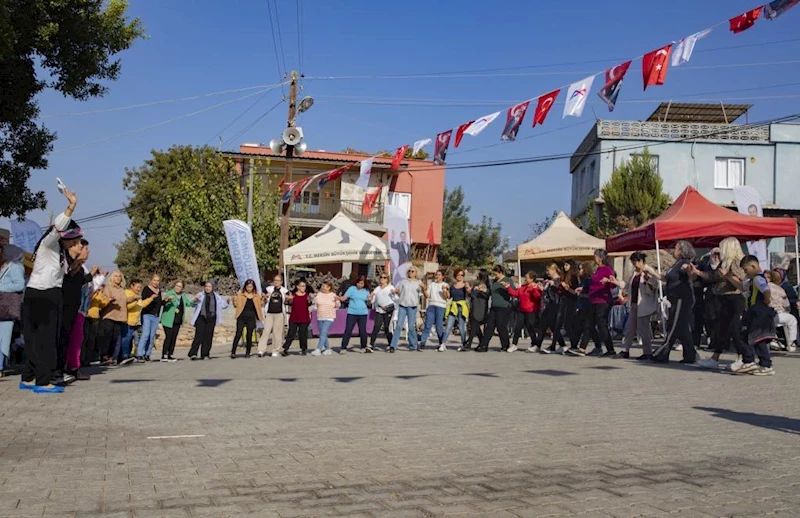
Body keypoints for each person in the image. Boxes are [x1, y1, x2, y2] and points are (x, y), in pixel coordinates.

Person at [20, 188, 83, 393]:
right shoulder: (49, 243)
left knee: (34, 338)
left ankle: (28, 378)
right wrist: (71, 207)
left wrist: (77, 262)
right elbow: (58, 227)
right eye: (72, 239)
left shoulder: (59, 254)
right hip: (44, 295)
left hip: (39, 294)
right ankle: (43, 381)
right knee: (46, 339)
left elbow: (61, 274)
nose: (75, 243)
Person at [692, 238, 746, 370]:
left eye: (722, 248)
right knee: (721, 329)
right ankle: (715, 358)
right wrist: (697, 272)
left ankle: (742, 357)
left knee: (734, 328)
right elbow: (712, 276)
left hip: (734, 298)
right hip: (722, 298)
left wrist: (727, 276)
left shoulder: (737, 262)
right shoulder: (724, 263)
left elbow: (742, 283)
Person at [649, 241, 698, 364]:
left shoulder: (685, 263)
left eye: (675, 248)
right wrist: (652, 272)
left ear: (681, 251)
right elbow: (666, 278)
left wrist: (690, 270)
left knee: (674, 325)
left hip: (682, 298)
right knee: (682, 328)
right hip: (674, 298)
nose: (673, 250)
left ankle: (663, 352)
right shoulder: (676, 264)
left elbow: (692, 275)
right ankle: (690, 354)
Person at [727, 255, 776, 375]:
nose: (745, 272)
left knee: (756, 337)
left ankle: (762, 364)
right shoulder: (751, 281)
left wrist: (767, 300)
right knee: (748, 336)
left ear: (753, 266)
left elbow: (766, 290)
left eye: (746, 270)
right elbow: (742, 287)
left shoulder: (757, 279)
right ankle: (752, 361)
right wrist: (729, 278)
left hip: (758, 311)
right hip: (753, 312)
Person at [567, 250, 617, 357]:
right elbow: (593, 284)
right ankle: (582, 348)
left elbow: (612, 285)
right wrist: (583, 288)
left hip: (602, 301)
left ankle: (610, 349)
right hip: (593, 300)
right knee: (589, 324)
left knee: (602, 325)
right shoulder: (598, 270)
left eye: (595, 257)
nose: (594, 259)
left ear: (600, 258)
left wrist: (609, 281)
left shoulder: (607, 270)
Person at [58, 241, 94, 381]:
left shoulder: (81, 267)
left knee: (76, 339)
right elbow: (71, 282)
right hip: (70, 307)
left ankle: (73, 366)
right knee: (70, 339)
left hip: (80, 308)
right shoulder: (70, 263)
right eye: (84, 248)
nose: (87, 251)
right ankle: (69, 367)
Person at [615, 252, 658, 360]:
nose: (634, 264)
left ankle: (647, 352)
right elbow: (627, 285)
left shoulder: (648, 270)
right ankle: (626, 350)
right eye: (633, 262)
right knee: (630, 328)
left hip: (643, 304)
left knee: (643, 329)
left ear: (641, 261)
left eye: (636, 261)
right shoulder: (634, 273)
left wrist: (648, 278)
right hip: (634, 304)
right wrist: (615, 282)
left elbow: (655, 286)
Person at [100, 270, 137, 366]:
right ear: (112, 277)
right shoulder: (108, 288)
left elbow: (124, 301)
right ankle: (104, 357)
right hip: (109, 315)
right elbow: (105, 299)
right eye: (116, 276)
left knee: (115, 338)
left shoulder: (121, 290)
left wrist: (133, 298)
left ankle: (112, 357)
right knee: (107, 337)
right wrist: (110, 299)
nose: (118, 278)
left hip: (119, 317)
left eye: (120, 276)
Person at [476, 265, 515, 353]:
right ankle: (483, 345)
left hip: (504, 306)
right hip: (494, 306)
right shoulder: (494, 281)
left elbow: (513, 292)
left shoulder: (508, 280)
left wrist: (507, 287)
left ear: (501, 272)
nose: (494, 275)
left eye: (496, 273)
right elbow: (490, 292)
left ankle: (505, 345)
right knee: (489, 326)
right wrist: (484, 290)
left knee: (501, 326)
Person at [0, 245, 25, 374]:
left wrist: (2, 286)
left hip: (6, 309)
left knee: (3, 339)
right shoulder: (4, 266)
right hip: (3, 307)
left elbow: (20, 284)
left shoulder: (15, 266)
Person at [189, 281, 230, 360]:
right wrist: (195, 299)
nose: (207, 288)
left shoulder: (216, 296)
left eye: (209, 286)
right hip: (201, 317)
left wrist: (227, 301)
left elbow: (223, 305)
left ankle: (205, 354)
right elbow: (192, 304)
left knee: (208, 337)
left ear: (213, 288)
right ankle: (193, 353)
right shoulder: (200, 295)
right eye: (206, 286)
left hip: (211, 318)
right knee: (198, 335)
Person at [530, 264, 566, 354]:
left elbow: (558, 293)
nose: (547, 273)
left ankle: (561, 345)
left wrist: (553, 285)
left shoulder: (558, 280)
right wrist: (542, 288)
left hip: (554, 305)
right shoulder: (550, 281)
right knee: (542, 326)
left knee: (553, 326)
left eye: (548, 270)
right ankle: (538, 345)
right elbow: (547, 294)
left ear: (553, 269)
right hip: (547, 306)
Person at [389, 267, 426, 352]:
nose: (410, 272)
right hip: (403, 305)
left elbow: (422, 293)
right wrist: (395, 291)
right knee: (399, 325)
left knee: (411, 327)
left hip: (412, 306)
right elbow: (399, 292)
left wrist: (423, 288)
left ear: (416, 273)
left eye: (412, 271)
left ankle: (414, 345)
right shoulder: (403, 281)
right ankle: (393, 345)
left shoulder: (419, 282)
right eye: (409, 271)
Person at [122, 278, 156, 365]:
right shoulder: (127, 293)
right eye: (137, 287)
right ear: (132, 286)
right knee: (126, 339)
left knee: (133, 340)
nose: (139, 289)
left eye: (140, 287)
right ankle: (124, 355)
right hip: (127, 321)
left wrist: (151, 298)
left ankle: (130, 355)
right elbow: (127, 307)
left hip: (135, 323)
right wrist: (135, 300)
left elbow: (142, 305)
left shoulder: (137, 295)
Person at [160, 281, 194, 362]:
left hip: (177, 320)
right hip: (168, 319)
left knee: (174, 338)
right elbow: (164, 303)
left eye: (180, 286)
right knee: (169, 337)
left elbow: (188, 304)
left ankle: (170, 354)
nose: (178, 288)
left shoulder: (183, 295)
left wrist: (195, 299)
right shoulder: (169, 293)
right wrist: (167, 300)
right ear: (174, 286)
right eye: (177, 286)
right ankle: (164, 355)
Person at [258, 275, 289, 358]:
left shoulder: (284, 290)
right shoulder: (269, 288)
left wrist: (288, 298)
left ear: (281, 282)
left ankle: (275, 350)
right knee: (266, 331)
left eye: (278, 280)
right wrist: (264, 296)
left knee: (277, 332)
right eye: (275, 280)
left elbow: (289, 298)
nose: (276, 282)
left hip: (279, 313)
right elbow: (262, 294)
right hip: (269, 313)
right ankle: (261, 349)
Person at [230, 279, 263, 359]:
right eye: (248, 287)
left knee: (249, 335)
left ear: (253, 287)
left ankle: (248, 352)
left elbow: (260, 305)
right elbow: (236, 305)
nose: (249, 288)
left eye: (251, 287)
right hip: (241, 317)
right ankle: (233, 352)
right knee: (238, 333)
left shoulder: (256, 296)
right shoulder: (241, 295)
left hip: (251, 318)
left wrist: (264, 298)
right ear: (245, 287)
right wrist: (234, 299)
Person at [765, 270, 797, 352]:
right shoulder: (780, 289)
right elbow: (786, 305)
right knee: (793, 321)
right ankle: (791, 343)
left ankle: (774, 339)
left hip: (766, 315)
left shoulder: (762, 287)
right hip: (780, 314)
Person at [338, 276, 371, 354]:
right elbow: (344, 298)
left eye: (361, 283)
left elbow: (369, 302)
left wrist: (370, 299)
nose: (359, 285)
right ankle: (343, 347)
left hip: (363, 313)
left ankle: (363, 347)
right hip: (352, 313)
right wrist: (337, 297)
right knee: (348, 330)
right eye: (358, 283)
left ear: (364, 284)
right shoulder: (352, 289)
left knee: (362, 331)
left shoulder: (366, 291)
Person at [419, 270, 450, 351]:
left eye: (439, 275)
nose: (437, 276)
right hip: (431, 305)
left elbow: (446, 297)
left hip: (441, 306)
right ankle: (423, 342)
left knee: (439, 327)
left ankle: (441, 343)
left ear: (443, 276)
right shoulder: (432, 284)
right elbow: (427, 295)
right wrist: (423, 289)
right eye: (436, 275)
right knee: (427, 324)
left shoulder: (445, 285)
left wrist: (444, 291)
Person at [281, 279, 312, 356]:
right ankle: (285, 349)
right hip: (294, 318)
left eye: (304, 286)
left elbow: (309, 303)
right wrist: (289, 299)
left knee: (303, 334)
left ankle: (303, 349)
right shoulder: (293, 295)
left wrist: (309, 300)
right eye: (302, 286)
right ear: (298, 287)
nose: (303, 287)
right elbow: (287, 303)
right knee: (291, 333)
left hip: (304, 318)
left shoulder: (307, 295)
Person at [442, 269, 470, 350]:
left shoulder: (465, 286)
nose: (460, 277)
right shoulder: (452, 286)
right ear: (455, 276)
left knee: (462, 327)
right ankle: (443, 343)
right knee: (449, 326)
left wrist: (468, 288)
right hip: (453, 306)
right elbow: (448, 297)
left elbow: (468, 295)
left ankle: (463, 344)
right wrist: (445, 291)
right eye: (458, 275)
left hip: (462, 306)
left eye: (462, 275)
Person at [137, 275, 163, 361]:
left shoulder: (159, 291)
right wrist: (151, 298)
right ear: (151, 280)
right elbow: (143, 301)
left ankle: (147, 354)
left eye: (158, 281)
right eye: (154, 280)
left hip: (155, 316)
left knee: (152, 336)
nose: (156, 282)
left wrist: (165, 301)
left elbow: (159, 303)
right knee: (146, 334)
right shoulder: (146, 289)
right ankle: (140, 353)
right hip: (147, 314)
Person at [464, 269, 490, 351]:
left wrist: (482, 290)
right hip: (474, 305)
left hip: (481, 306)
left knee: (475, 323)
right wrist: (469, 290)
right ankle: (482, 342)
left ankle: (469, 342)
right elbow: (472, 295)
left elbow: (487, 295)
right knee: (475, 324)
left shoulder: (486, 284)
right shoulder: (476, 283)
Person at [368, 274, 395, 349]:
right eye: (381, 277)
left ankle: (391, 344)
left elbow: (395, 297)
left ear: (387, 279)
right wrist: (370, 297)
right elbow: (373, 294)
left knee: (387, 327)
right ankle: (371, 344)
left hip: (388, 310)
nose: (382, 279)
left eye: (384, 277)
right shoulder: (377, 288)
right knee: (376, 326)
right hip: (379, 310)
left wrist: (394, 293)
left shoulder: (390, 287)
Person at [312, 281, 339, 356]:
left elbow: (338, 305)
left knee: (323, 332)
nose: (323, 288)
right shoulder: (319, 294)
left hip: (329, 316)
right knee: (322, 334)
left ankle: (318, 349)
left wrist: (337, 301)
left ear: (329, 287)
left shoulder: (333, 295)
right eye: (322, 286)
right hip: (320, 316)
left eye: (324, 286)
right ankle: (327, 349)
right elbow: (315, 304)